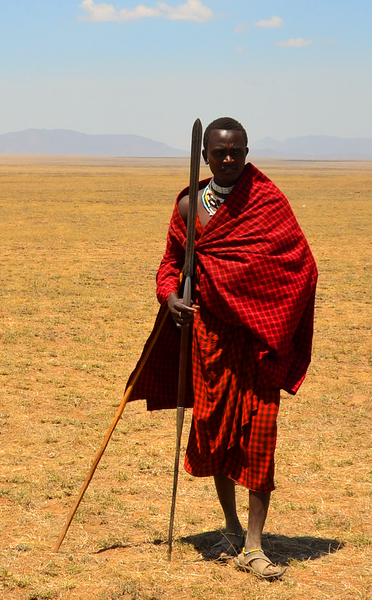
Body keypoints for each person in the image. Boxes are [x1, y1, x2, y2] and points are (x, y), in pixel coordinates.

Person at [128, 117, 317, 580]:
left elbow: (301, 267)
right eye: (218, 152)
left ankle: (254, 545)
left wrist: (271, 319)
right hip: (209, 339)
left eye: (235, 151)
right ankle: (231, 527)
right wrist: (169, 296)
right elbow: (171, 263)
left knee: (258, 440)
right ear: (205, 155)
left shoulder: (267, 202)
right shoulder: (190, 205)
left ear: (247, 150)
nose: (227, 158)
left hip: (257, 344)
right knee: (215, 430)